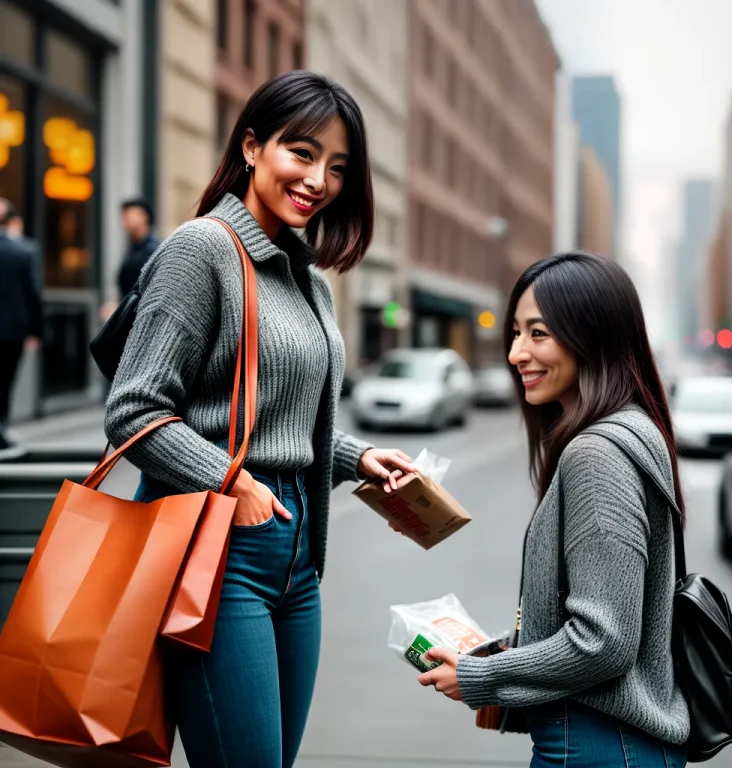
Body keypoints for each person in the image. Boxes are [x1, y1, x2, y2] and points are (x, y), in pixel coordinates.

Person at [103, 71, 414, 768]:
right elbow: (132, 409)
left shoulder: (309, 279)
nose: (318, 180)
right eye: (301, 154)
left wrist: (357, 458)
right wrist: (229, 479)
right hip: (217, 552)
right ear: (251, 146)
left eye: (337, 167)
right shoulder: (201, 250)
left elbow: (284, 416)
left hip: (298, 557)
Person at [417, 252, 690, 767]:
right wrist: (503, 652)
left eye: (538, 334)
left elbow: (603, 641)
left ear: (594, 336)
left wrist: (481, 677)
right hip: (615, 742)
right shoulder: (634, 429)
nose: (517, 352)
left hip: (596, 742)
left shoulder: (598, 453)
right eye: (516, 333)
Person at [0, 199, 42, 450]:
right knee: (5, 382)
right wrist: (35, 330)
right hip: (13, 330)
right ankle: (1, 426)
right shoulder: (23, 251)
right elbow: (33, 295)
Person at [116, 197, 160, 299]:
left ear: (144, 216)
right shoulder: (132, 247)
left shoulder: (152, 250)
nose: (125, 218)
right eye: (124, 214)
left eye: (130, 213)